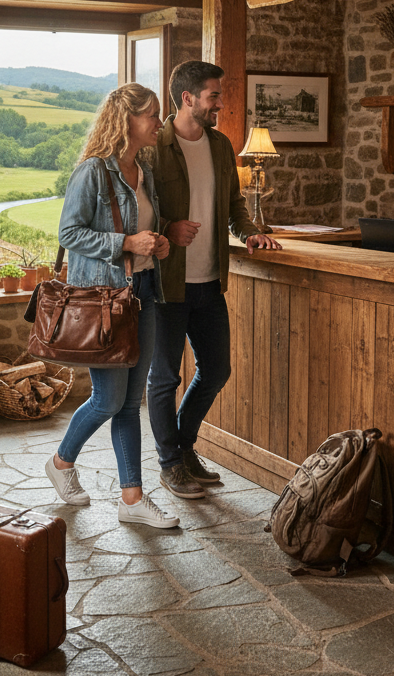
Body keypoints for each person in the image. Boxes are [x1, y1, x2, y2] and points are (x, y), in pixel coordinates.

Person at [44, 83, 179, 528]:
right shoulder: (93, 172)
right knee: (107, 400)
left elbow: (144, 233)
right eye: (152, 115)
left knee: (129, 403)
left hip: (144, 295)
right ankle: (62, 463)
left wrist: (156, 244)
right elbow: (69, 233)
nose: (158, 122)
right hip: (106, 299)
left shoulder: (144, 172)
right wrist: (124, 242)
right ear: (127, 121)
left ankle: (132, 498)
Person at [148, 60, 281, 499]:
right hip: (166, 283)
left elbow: (233, 203)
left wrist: (251, 232)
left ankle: (184, 450)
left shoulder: (222, 146)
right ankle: (170, 463)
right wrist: (168, 227)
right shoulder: (155, 147)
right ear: (187, 98)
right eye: (213, 96)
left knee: (217, 369)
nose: (220, 104)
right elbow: (137, 211)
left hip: (209, 282)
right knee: (164, 379)